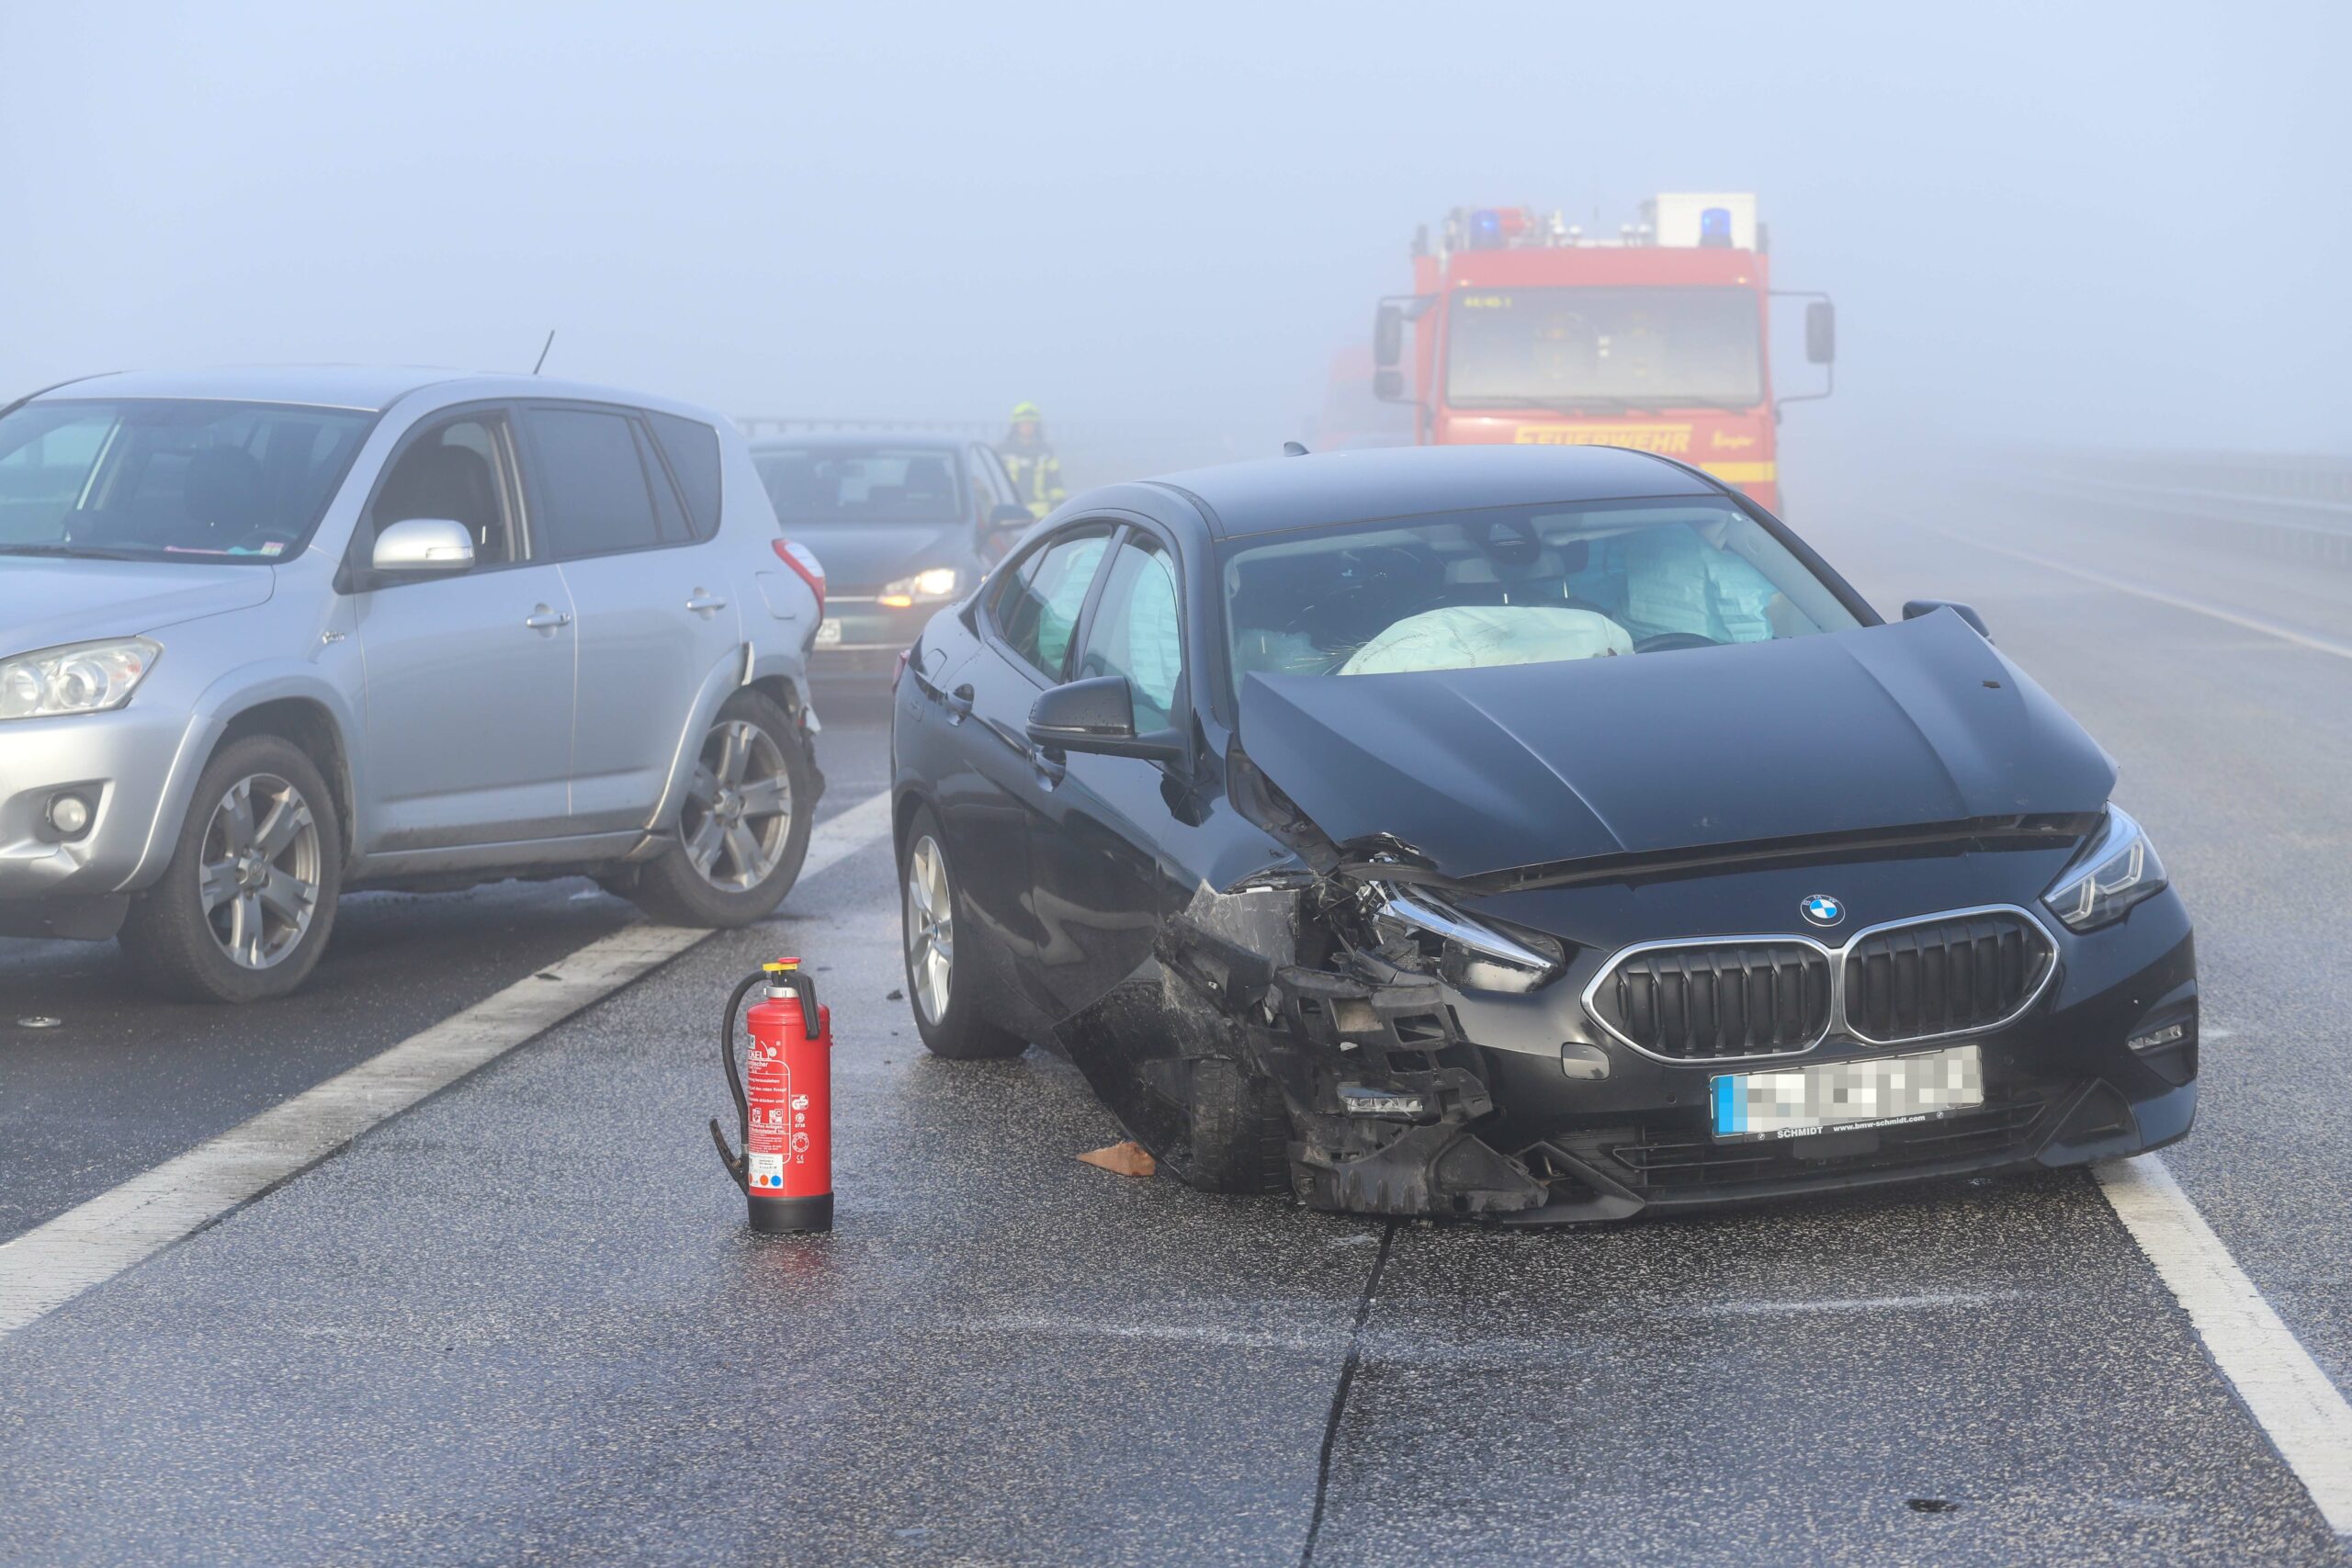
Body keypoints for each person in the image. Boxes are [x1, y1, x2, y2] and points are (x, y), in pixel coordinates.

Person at [998, 400, 1066, 519]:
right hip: (1010, 513)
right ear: (1016, 425)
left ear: (1037, 425)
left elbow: (1055, 482)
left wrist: (1058, 506)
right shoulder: (1002, 451)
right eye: (1024, 423)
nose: (1028, 427)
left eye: (1031, 423)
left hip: (1042, 515)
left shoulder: (1045, 451)